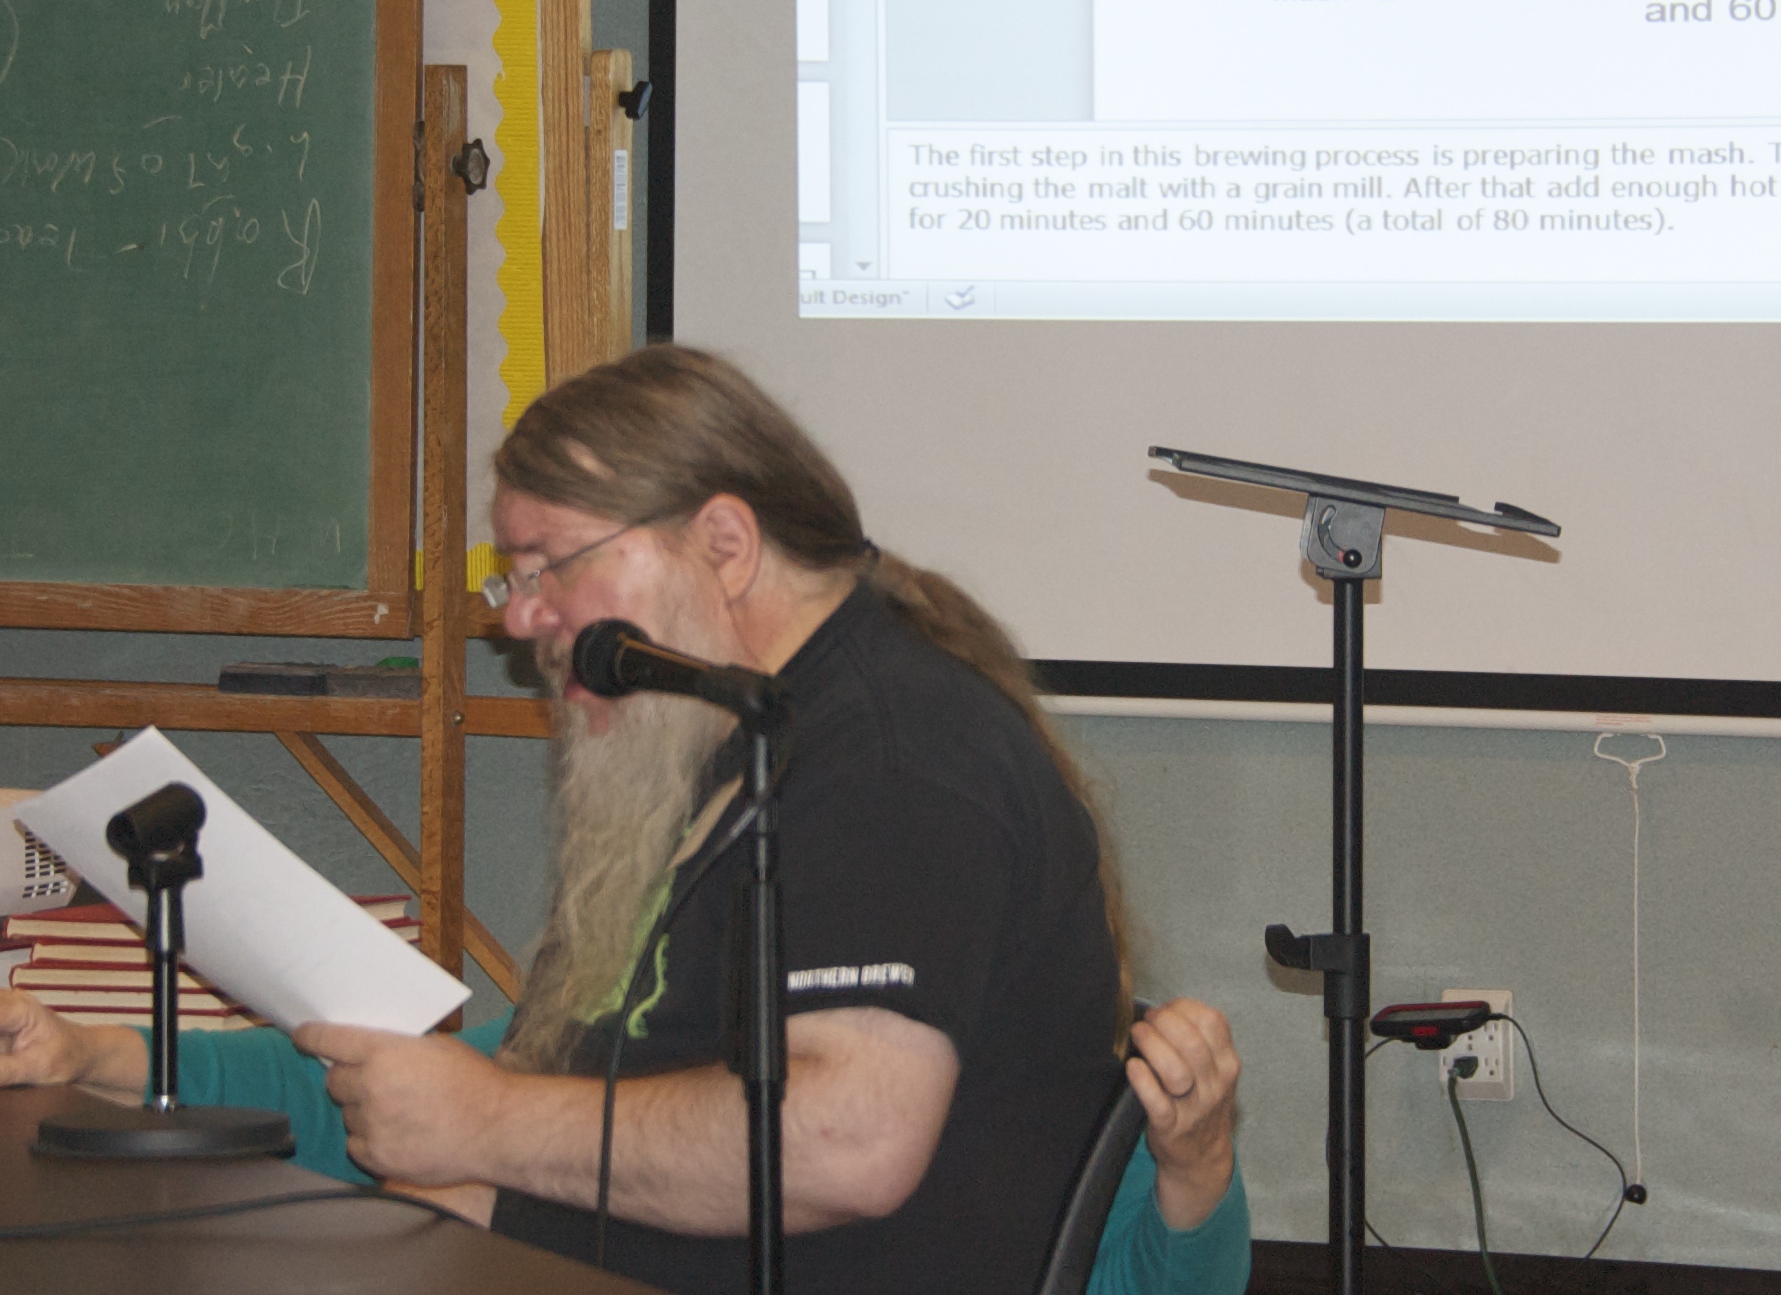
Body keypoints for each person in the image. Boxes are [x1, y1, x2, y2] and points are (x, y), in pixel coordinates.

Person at [0, 346, 1248, 1295]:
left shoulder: (897, 760)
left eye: (549, 564)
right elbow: (486, 1080)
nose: (518, 617)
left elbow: (847, 1138)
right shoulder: (728, 754)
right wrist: (107, 1057)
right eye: (510, 576)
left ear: (723, 543)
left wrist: (484, 1126)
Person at [0, 992, 1250, 1295]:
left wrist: (1196, 1160)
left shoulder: (1057, 1087)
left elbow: (1160, 1274)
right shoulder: (685, 1010)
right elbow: (370, 1092)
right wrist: (105, 1052)